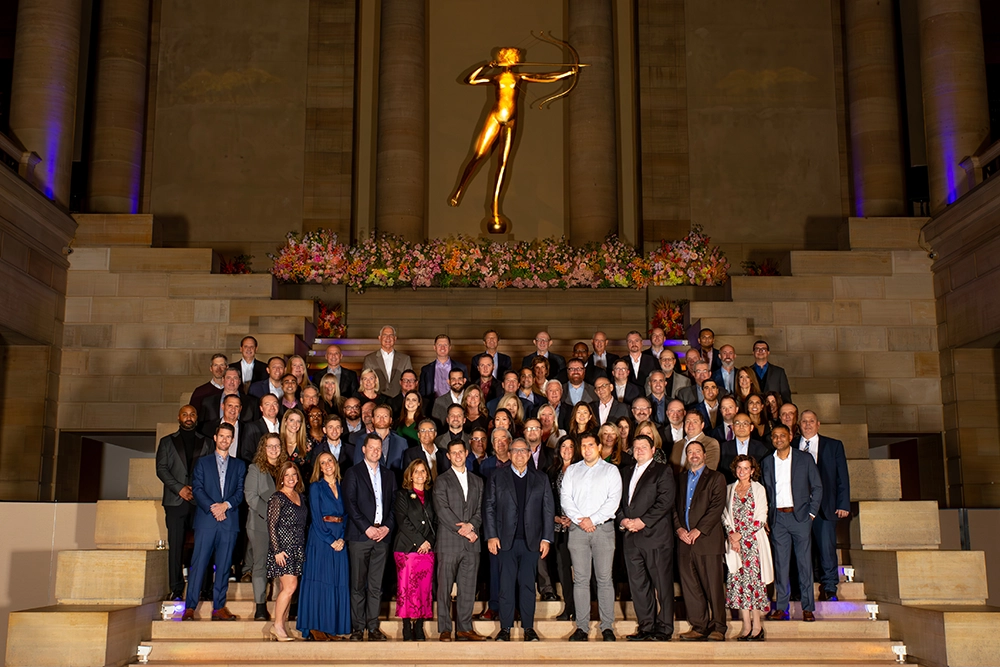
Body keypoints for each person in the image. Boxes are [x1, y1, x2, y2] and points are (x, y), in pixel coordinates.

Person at [447, 47, 578, 231]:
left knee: (503, 164)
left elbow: (545, 77)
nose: (515, 61)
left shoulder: (519, 77)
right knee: (479, 155)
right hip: (495, 118)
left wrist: (568, 73)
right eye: (513, 58)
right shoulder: (496, 78)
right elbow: (470, 79)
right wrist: (485, 65)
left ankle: (494, 209)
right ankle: (459, 189)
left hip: (510, 121)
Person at [485, 437, 555, 642]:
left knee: (527, 586)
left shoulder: (541, 478)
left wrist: (546, 539)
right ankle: (505, 628)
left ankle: (528, 628)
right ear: (509, 454)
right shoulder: (497, 477)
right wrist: (491, 535)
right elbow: (489, 507)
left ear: (529, 453)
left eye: (523, 451)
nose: (519, 454)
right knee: (506, 586)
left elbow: (548, 510)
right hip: (504, 541)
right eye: (514, 451)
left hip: (531, 542)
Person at [562, 432, 622, 642]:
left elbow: (613, 500)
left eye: (590, 445)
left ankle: (607, 627)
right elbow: (566, 499)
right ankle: (582, 626)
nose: (586, 449)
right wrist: (581, 520)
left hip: (603, 529)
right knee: (580, 580)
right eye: (583, 446)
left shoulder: (610, 471)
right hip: (578, 531)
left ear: (598, 446)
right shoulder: (572, 471)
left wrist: (593, 520)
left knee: (604, 579)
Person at [182, 423, 246, 621]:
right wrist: (214, 507)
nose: (225, 440)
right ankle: (190, 607)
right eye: (222, 436)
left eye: (229, 437)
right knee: (199, 564)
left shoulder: (239, 465)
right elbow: (198, 489)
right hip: (207, 520)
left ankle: (219, 608)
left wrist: (225, 505)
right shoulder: (202, 463)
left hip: (228, 521)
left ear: (232, 440)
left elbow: (240, 492)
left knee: (224, 565)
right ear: (215, 438)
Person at [761, 424, 823, 622]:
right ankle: (781, 607)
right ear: (772, 439)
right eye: (775, 436)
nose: (779, 439)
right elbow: (765, 493)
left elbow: (817, 487)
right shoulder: (767, 462)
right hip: (778, 519)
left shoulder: (804, 459)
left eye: (782, 435)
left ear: (789, 436)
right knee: (781, 565)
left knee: (804, 564)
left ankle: (807, 607)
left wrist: (811, 515)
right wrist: (766, 518)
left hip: (801, 518)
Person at [617, 434, 675, 642]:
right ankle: (646, 626)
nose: (639, 450)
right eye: (636, 446)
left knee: (662, 583)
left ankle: (665, 627)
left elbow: (665, 501)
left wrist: (643, 521)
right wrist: (623, 520)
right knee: (638, 585)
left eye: (644, 446)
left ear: (653, 450)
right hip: (631, 538)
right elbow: (617, 501)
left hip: (655, 537)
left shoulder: (662, 470)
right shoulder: (624, 473)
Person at [343, 433, 397, 641]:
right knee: (358, 584)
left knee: (376, 586)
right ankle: (358, 628)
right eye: (372, 447)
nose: (375, 451)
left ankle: (373, 627)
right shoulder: (353, 473)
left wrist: (387, 527)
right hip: (360, 536)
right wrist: (366, 528)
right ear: (363, 449)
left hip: (382, 536)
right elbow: (350, 504)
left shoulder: (389, 475)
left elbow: (393, 506)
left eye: (379, 447)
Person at [672, 440, 727, 641]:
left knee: (713, 586)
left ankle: (719, 626)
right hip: (684, 541)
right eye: (690, 452)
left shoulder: (716, 478)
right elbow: (673, 508)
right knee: (690, 586)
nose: (694, 455)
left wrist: (698, 530)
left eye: (697, 452)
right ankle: (699, 625)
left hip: (707, 541)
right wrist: (679, 528)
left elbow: (717, 507)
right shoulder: (679, 479)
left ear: (704, 455)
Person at [434, 439, 488, 642]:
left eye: (460, 452)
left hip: (471, 543)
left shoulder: (478, 481)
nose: (457, 455)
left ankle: (465, 628)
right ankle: (445, 629)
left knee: (468, 587)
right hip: (449, 542)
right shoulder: (442, 480)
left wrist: (472, 526)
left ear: (466, 453)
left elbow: (479, 510)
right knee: (444, 587)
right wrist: (466, 530)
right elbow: (442, 511)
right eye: (453, 453)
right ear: (448, 456)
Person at [156, 405, 210, 601]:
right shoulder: (167, 442)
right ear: (179, 417)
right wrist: (180, 487)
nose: (189, 417)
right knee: (176, 547)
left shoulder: (206, 442)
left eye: (192, 414)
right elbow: (161, 469)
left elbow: (209, 470)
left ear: (197, 418)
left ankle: (204, 588)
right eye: (185, 414)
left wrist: (197, 489)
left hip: (200, 501)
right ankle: (176, 589)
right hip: (175, 501)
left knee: (203, 546)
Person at [298, 452, 352, 641]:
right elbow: (316, 516)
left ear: (335, 463)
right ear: (319, 467)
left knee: (337, 582)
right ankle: (315, 626)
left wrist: (342, 537)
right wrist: (330, 540)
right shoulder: (316, 487)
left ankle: (331, 628)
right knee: (320, 582)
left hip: (340, 537)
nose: (327, 464)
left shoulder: (343, 485)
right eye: (323, 462)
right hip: (321, 539)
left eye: (330, 460)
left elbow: (347, 515)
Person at [797, 410, 850, 602]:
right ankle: (803, 588)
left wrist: (843, 503)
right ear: (799, 424)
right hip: (799, 508)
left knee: (827, 549)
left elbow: (842, 476)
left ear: (818, 424)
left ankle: (829, 588)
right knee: (803, 549)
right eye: (804, 421)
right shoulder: (793, 445)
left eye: (811, 421)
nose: (808, 424)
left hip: (825, 507)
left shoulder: (833, 446)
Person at [723, 455, 773, 641]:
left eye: (746, 468)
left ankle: (757, 627)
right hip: (735, 545)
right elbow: (725, 515)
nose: (742, 471)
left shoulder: (758, 489)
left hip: (753, 544)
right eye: (739, 468)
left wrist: (741, 535)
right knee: (739, 583)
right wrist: (732, 536)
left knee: (754, 584)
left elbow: (761, 517)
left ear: (752, 470)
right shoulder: (730, 489)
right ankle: (745, 626)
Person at [394, 459, 437, 641]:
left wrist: (428, 542)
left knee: (423, 589)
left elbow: (436, 522)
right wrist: (420, 541)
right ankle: (406, 625)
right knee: (406, 589)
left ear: (427, 475)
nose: (420, 475)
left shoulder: (432, 495)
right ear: (410, 475)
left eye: (423, 471)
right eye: (416, 471)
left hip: (427, 550)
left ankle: (419, 626)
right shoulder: (402, 495)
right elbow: (403, 521)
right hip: (406, 549)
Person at [244, 434, 285, 620]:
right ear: (263, 448)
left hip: (284, 526)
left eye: (277, 446)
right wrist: (271, 515)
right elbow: (251, 497)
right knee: (260, 565)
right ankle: (260, 607)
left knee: (283, 565)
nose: (274, 450)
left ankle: (282, 606)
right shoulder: (255, 469)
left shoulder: (286, 469)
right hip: (260, 524)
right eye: (270, 446)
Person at [266, 462, 307, 641]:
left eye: (294, 475)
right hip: (283, 549)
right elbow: (271, 525)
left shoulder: (300, 496)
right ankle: (277, 625)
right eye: (287, 475)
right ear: (281, 478)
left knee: (286, 588)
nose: (291, 478)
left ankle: (281, 625)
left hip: (297, 546)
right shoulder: (277, 497)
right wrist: (277, 550)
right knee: (290, 587)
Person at [547, 435, 581, 622]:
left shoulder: (582, 470)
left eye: (570, 446)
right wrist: (555, 517)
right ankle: (569, 607)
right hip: (558, 528)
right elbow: (547, 500)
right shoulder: (552, 471)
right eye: (563, 446)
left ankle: (583, 608)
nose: (567, 450)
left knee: (581, 571)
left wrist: (573, 518)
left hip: (578, 527)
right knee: (563, 570)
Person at [718, 413, 770, 485]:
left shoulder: (762, 448)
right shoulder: (722, 448)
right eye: (737, 423)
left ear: (751, 427)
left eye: (745, 423)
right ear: (733, 427)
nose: (741, 427)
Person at [362, 325, 413, 397]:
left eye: (391, 335)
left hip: (399, 399)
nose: (388, 338)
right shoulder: (369, 359)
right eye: (385, 335)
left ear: (395, 338)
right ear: (379, 338)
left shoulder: (405, 359)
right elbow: (365, 382)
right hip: (377, 399)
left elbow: (410, 381)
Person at [419, 334, 469, 406]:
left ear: (450, 347)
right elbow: (422, 393)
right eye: (439, 345)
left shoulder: (462, 367)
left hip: (456, 406)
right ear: (434, 347)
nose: (442, 347)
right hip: (432, 407)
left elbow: (466, 390)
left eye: (445, 345)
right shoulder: (426, 370)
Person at [280, 408, 311, 482]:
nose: (295, 424)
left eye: (298, 421)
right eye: (291, 420)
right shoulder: (277, 442)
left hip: (301, 485)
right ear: (285, 421)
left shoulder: (307, 444)